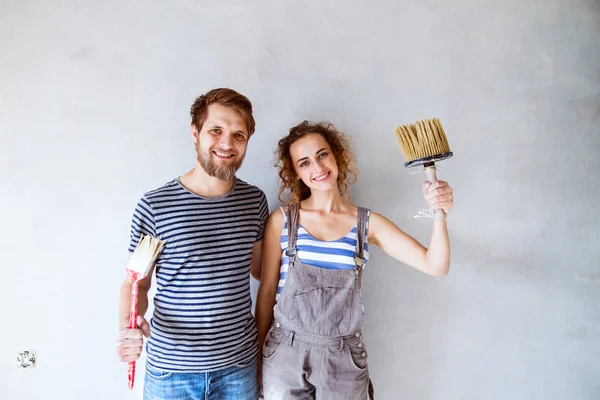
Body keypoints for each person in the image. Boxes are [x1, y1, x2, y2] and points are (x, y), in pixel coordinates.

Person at [255, 121, 454, 399]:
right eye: (304, 162)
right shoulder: (284, 220)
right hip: (284, 353)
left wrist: (440, 213)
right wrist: (258, 358)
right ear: (295, 173)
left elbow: (436, 266)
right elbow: (265, 294)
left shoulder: (366, 224)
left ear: (336, 155)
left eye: (322, 154)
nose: (317, 167)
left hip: (343, 361)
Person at [116, 88, 268, 400]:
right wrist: (127, 327)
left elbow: (260, 271)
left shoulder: (254, 202)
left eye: (238, 135)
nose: (227, 143)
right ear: (195, 133)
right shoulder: (156, 206)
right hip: (171, 373)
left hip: (239, 368)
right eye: (216, 130)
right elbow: (135, 285)